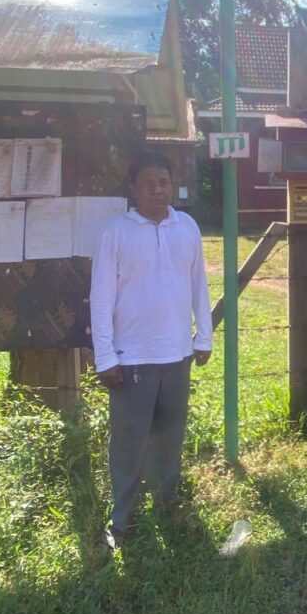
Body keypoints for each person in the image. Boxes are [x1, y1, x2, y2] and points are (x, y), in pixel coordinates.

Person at [90, 149, 212, 549]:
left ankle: (167, 504)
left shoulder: (186, 227)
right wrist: (105, 356)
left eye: (164, 182)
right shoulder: (115, 232)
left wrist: (203, 337)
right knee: (129, 441)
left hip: (177, 355)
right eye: (148, 183)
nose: (157, 190)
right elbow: (101, 297)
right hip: (131, 358)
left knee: (170, 436)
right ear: (133, 188)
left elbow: (198, 285)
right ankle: (122, 520)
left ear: (172, 185)